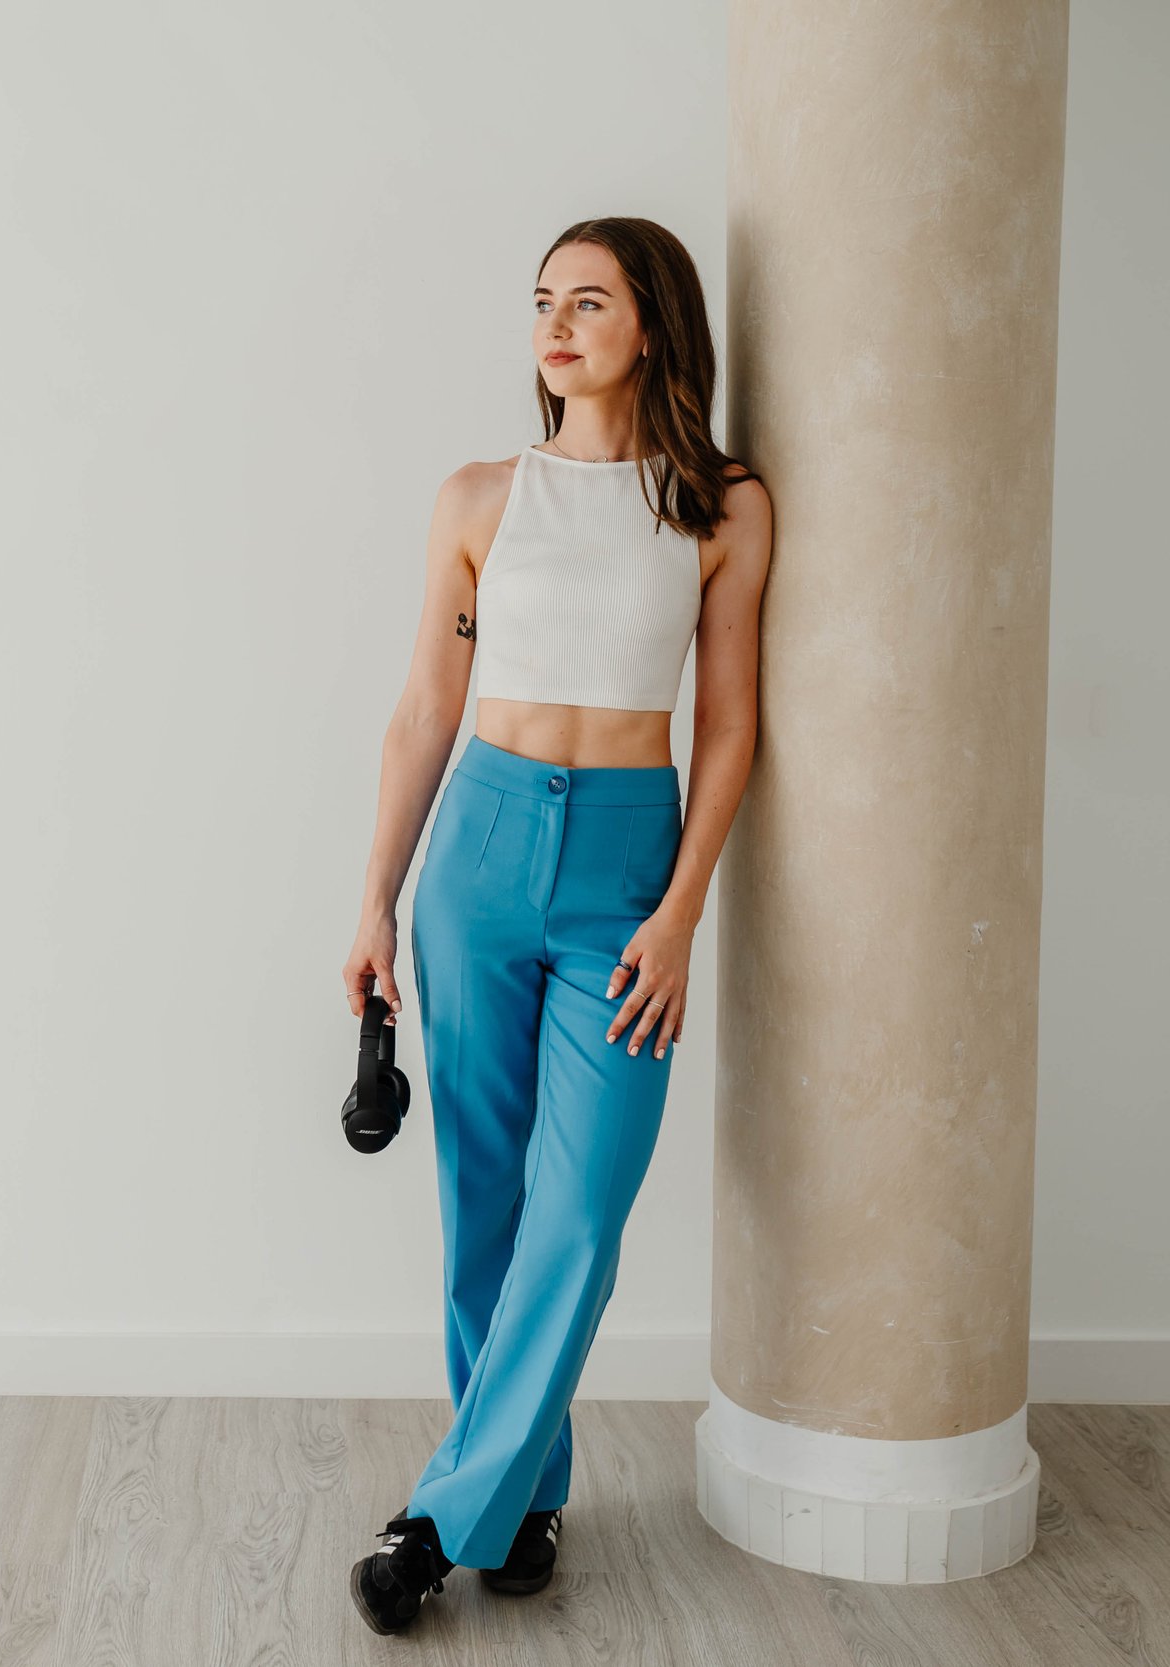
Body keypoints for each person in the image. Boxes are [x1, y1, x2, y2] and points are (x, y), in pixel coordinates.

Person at [341, 218, 773, 1637]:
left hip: (627, 867)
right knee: (487, 1192)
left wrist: (682, 909)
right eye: (544, 301)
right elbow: (424, 712)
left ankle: (436, 1519)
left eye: (589, 301)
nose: (558, 323)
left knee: (580, 1209)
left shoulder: (719, 507)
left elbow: (727, 729)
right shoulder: (480, 497)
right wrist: (375, 899)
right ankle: (519, 1493)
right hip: (479, 845)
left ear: (652, 323)